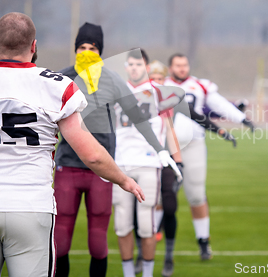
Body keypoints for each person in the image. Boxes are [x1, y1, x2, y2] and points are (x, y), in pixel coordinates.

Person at [0, 12, 144, 277]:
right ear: (34, 46)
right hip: (29, 206)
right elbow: (92, 156)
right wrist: (123, 179)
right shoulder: (56, 86)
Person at [53, 23, 177, 277]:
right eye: (82, 47)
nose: (87, 51)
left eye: (92, 47)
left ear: (101, 51)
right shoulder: (62, 77)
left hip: (103, 169)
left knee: (98, 241)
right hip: (69, 165)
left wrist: (160, 148)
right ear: (75, 49)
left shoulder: (112, 80)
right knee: (61, 239)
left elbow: (138, 117)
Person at [136, 60, 237, 276]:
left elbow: (195, 117)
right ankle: (143, 250)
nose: (157, 83)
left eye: (160, 79)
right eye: (153, 78)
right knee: (146, 205)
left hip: (169, 156)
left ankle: (172, 254)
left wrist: (220, 132)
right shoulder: (135, 98)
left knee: (172, 203)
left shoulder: (170, 98)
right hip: (143, 158)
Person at [164, 53, 255, 261]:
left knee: (196, 195)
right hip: (165, 147)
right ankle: (150, 239)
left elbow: (220, 105)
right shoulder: (160, 84)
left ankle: (203, 241)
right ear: (170, 67)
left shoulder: (200, 85)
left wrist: (242, 118)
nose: (182, 68)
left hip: (194, 144)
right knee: (161, 195)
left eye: (185, 64)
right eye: (178, 65)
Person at [112, 50, 183, 277]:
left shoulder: (159, 94)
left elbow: (169, 125)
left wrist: (175, 159)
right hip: (120, 165)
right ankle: (129, 274)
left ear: (146, 67)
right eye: (131, 64)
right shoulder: (115, 91)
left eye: (139, 64)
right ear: (126, 66)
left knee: (147, 225)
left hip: (149, 163)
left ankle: (149, 273)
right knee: (122, 224)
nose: (134, 68)